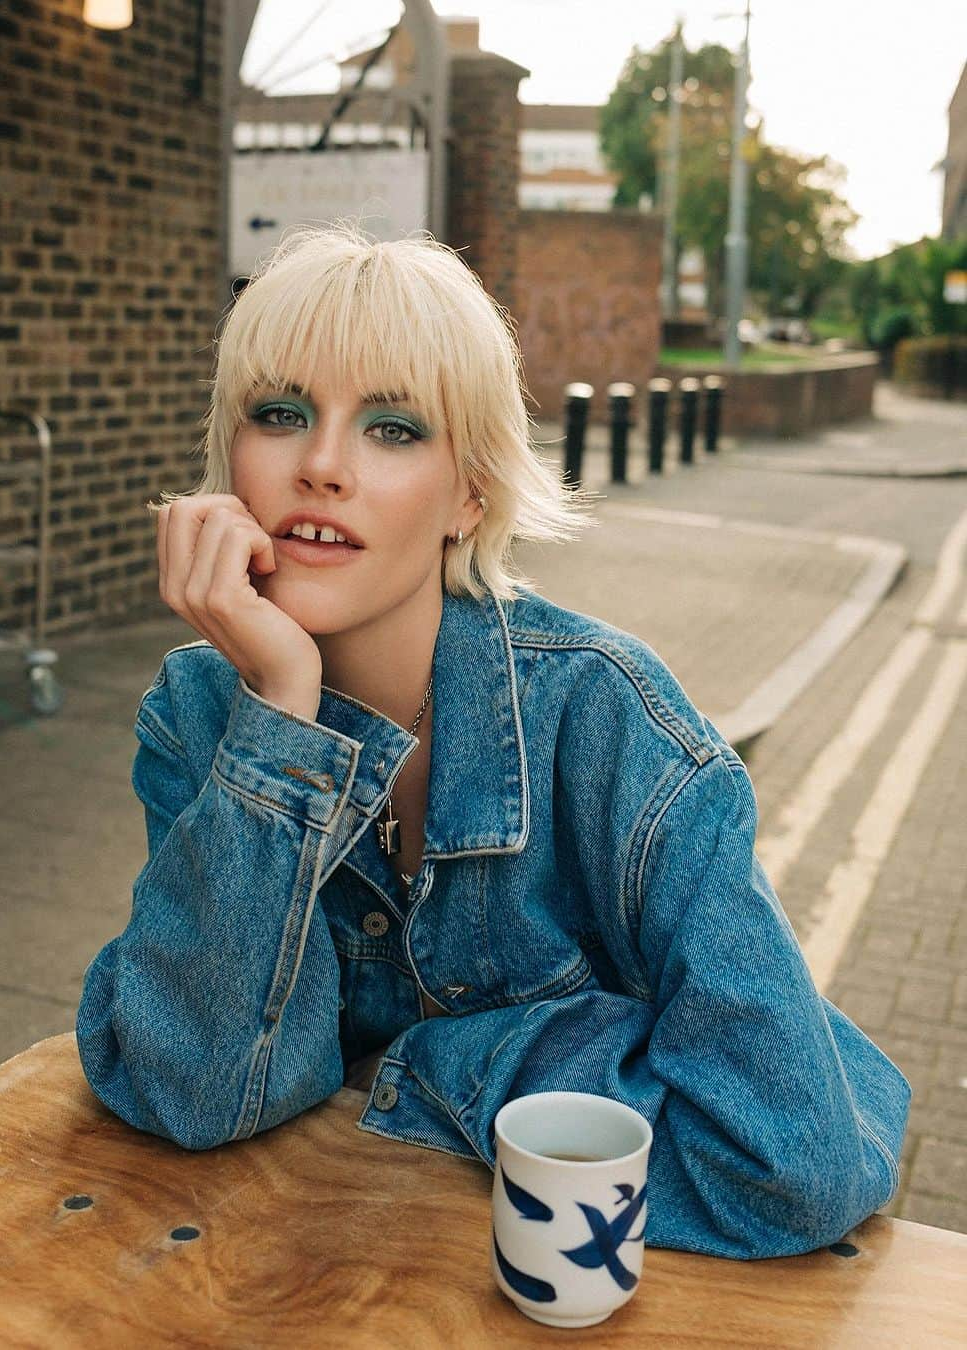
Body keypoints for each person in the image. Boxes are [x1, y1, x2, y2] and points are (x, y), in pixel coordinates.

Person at [75, 221, 910, 1260]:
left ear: (470, 494)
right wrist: (279, 710)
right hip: (311, 1279)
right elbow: (191, 1087)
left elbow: (793, 1165)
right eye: (281, 413)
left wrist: (406, 1072)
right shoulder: (202, 714)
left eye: (393, 428)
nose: (323, 466)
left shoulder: (610, 721)